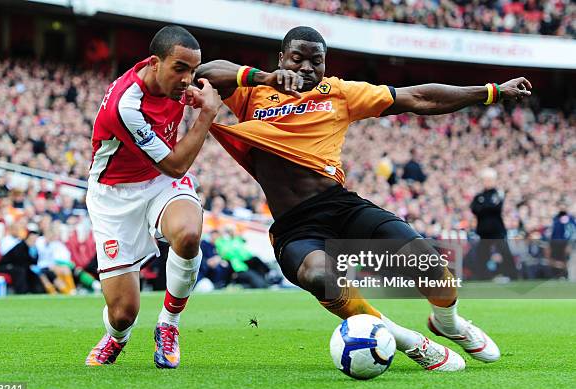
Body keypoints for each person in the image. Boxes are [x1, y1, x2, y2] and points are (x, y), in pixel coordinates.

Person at [197, 26, 533, 371]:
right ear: (282, 58)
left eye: (317, 61)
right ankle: (409, 341)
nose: (307, 68)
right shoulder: (252, 92)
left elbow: (417, 98)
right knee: (318, 276)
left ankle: (447, 322)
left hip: (342, 207)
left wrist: (490, 92)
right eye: (298, 59)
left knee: (432, 267)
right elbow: (204, 73)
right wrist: (264, 78)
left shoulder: (339, 92)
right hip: (296, 227)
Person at [85, 26, 222, 369]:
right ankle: (117, 338)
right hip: (114, 196)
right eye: (181, 69)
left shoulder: (174, 79)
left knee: (189, 234)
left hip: (159, 182)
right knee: (122, 313)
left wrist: (265, 76)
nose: (188, 79)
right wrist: (206, 113)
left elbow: (220, 71)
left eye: (193, 71)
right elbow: (176, 164)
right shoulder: (125, 105)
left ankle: (169, 325)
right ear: (153, 62)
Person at [470, 167, 518, 280]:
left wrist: (484, 207)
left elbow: (495, 208)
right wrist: (487, 206)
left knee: (505, 253)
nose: (487, 182)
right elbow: (475, 209)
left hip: (497, 230)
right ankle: (481, 277)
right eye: (485, 180)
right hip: (483, 231)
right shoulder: (479, 196)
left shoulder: (497, 194)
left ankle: (512, 275)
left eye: (489, 180)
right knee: (482, 255)